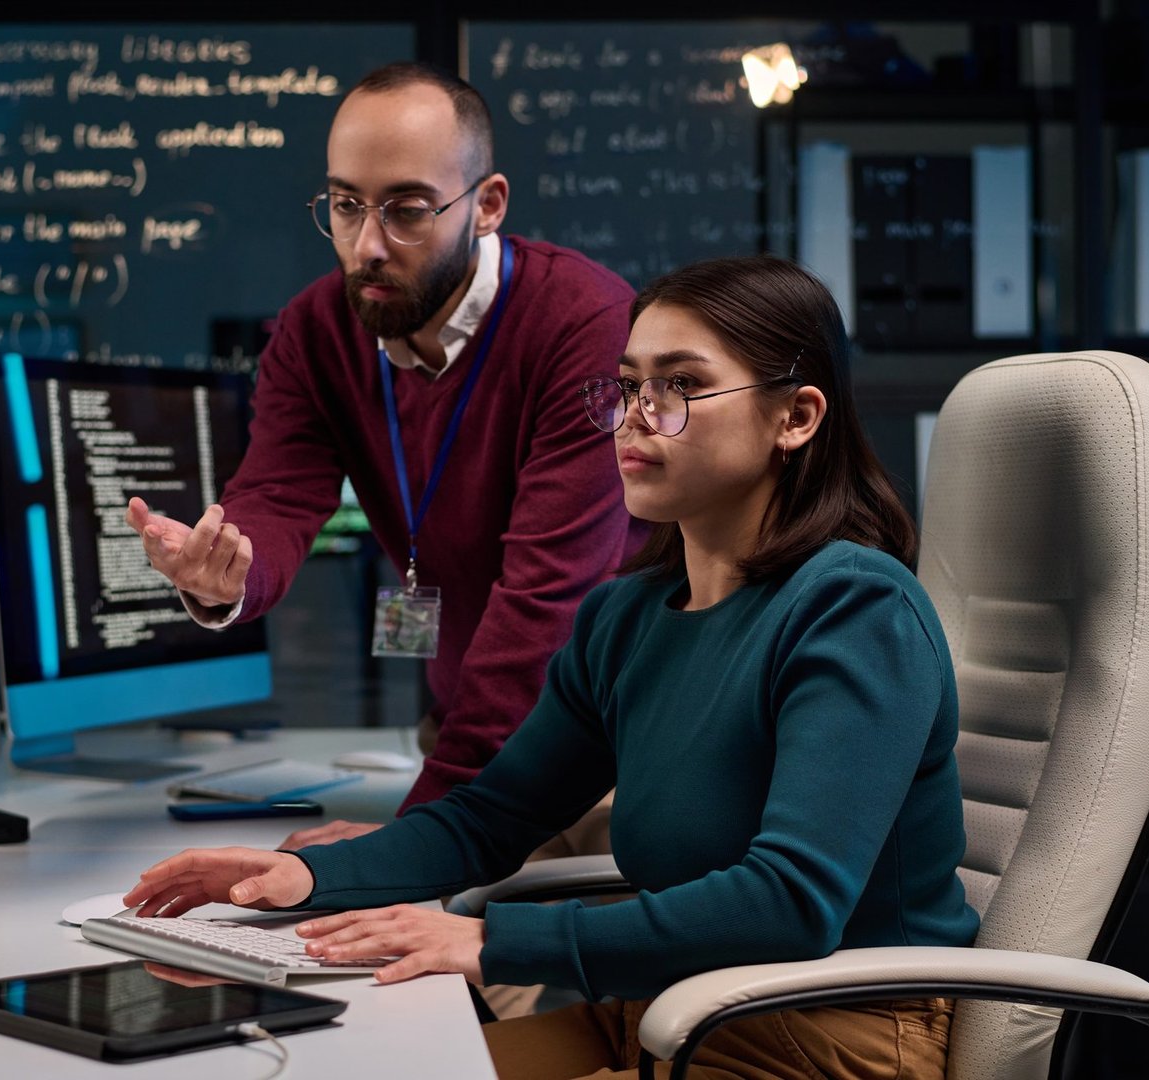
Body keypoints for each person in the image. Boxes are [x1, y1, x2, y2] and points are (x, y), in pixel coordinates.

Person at [122, 255, 981, 1079]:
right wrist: (306, 877)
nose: (637, 414)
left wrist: (495, 943)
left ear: (795, 418)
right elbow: (491, 819)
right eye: (629, 385)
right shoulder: (627, 618)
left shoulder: (856, 611)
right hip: (665, 1011)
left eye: (681, 385)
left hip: (831, 1040)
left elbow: (791, 900)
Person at [125, 62, 636, 847]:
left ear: (488, 205)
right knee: (378, 957)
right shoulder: (315, 330)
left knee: (460, 953)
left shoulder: (585, 325)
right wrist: (231, 572)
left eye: (407, 210)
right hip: (470, 734)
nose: (367, 246)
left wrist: (409, 843)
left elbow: (548, 607)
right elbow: (280, 491)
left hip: (606, 746)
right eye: (344, 206)